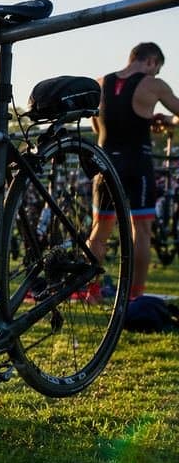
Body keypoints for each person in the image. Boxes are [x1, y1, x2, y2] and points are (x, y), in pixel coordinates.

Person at [89, 42, 179, 300]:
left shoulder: (100, 84)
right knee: (141, 230)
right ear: (151, 61)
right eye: (157, 69)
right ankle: (135, 296)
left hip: (106, 163)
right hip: (137, 163)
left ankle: (92, 291)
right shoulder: (154, 85)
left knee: (99, 231)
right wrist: (167, 120)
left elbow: (97, 128)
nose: (155, 74)